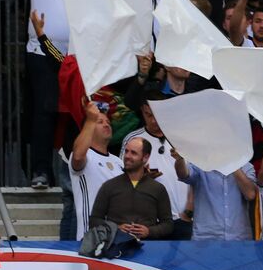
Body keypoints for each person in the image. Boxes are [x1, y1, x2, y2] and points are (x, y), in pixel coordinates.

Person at [21, 0, 67, 190]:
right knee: (44, 112)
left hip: (78, 54)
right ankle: (41, 171)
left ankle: (75, 168)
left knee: (77, 113)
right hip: (41, 52)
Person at [88, 137, 174, 242]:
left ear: (145, 157)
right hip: (115, 247)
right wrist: (116, 228)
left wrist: (149, 231)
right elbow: (94, 220)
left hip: (147, 249)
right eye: (126, 151)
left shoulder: (158, 189)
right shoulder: (109, 186)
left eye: (133, 153)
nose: (127, 156)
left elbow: (168, 225)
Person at [123, 103, 190, 237]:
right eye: (148, 115)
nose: (153, 120)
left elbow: (196, 176)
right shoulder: (133, 140)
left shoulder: (183, 136)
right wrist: (142, 177)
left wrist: (189, 211)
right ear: (142, 111)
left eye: (157, 115)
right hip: (153, 222)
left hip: (185, 219)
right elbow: (123, 180)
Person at [67, 100, 121, 241]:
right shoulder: (84, 156)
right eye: (100, 121)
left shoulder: (119, 161)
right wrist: (90, 120)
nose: (106, 124)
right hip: (91, 237)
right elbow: (78, 157)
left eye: (108, 121)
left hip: (117, 236)